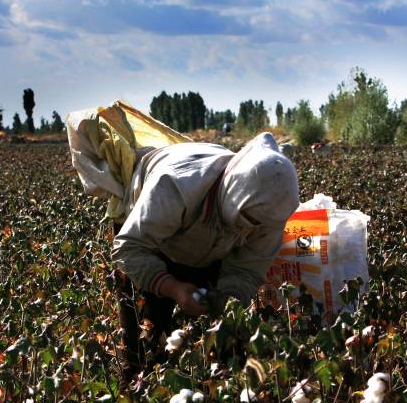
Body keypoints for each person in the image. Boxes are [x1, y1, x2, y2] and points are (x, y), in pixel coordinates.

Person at [112, 132, 299, 379]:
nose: (253, 230)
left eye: (261, 225)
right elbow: (129, 249)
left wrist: (227, 304)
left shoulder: (269, 213)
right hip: (147, 239)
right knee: (142, 348)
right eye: (251, 220)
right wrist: (175, 289)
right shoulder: (176, 185)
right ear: (235, 197)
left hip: (210, 244)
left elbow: (246, 270)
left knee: (218, 348)